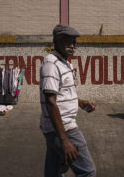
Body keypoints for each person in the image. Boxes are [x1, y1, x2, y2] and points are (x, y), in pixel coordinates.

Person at [39, 24, 97, 177]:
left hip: (54, 129)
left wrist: (80, 102)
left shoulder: (65, 63)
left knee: (54, 171)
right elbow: (50, 102)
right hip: (64, 128)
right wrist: (64, 139)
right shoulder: (51, 64)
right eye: (67, 41)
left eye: (74, 42)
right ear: (55, 40)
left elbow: (61, 94)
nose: (72, 45)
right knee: (88, 172)